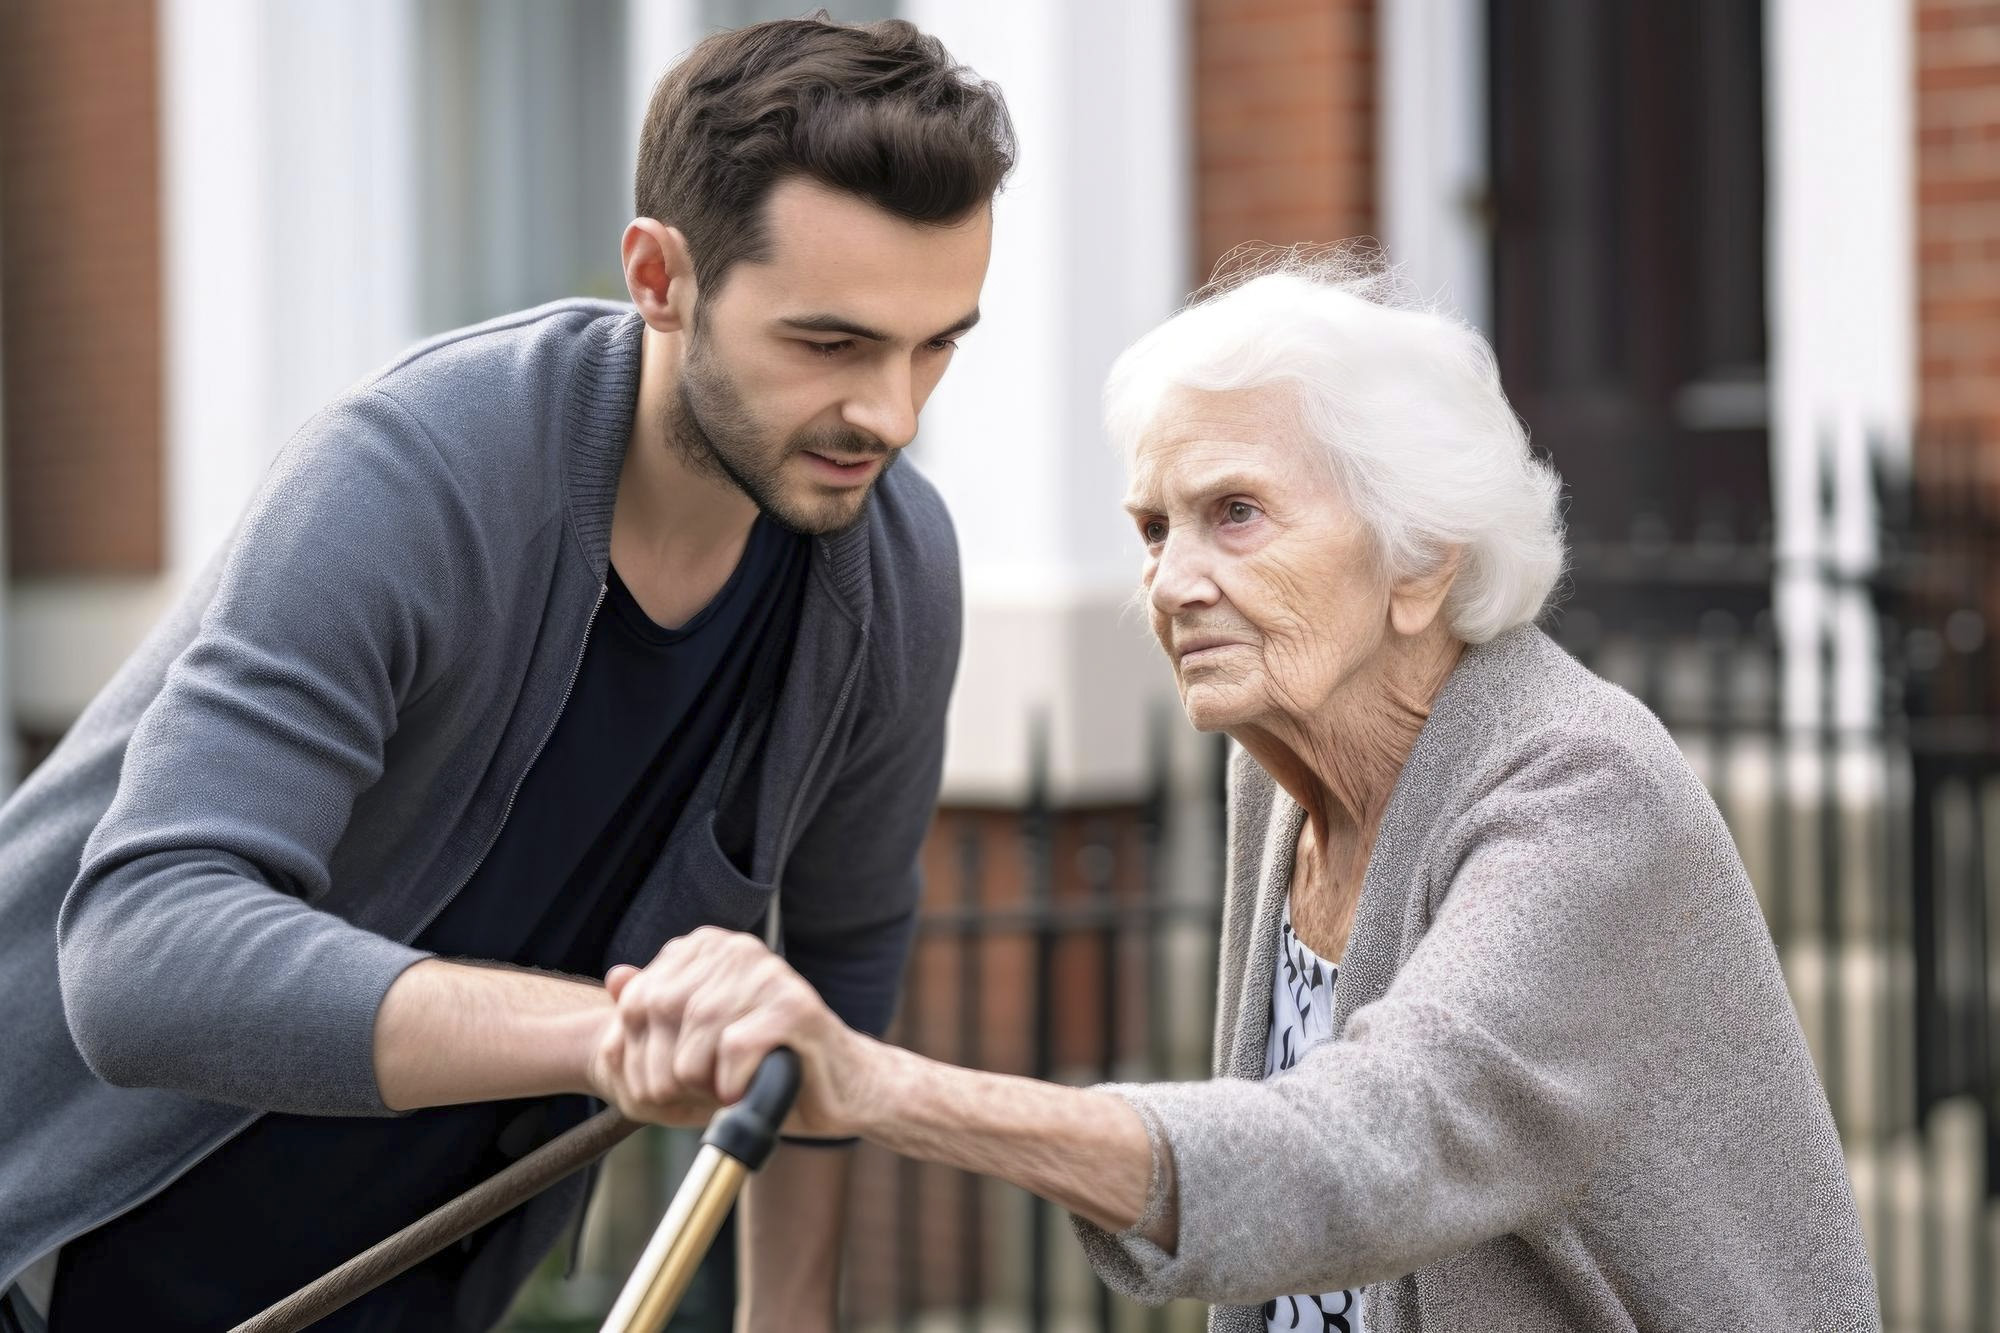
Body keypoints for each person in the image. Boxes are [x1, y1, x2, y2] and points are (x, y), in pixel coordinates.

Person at [592, 254, 1882, 1332]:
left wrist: (883, 1088)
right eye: (1156, 528)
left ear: (1420, 561)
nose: (1171, 583)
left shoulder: (1582, 796)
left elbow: (1362, 1149)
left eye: (1239, 515)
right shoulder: (1277, 776)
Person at [0, 15, 1011, 1331]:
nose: (893, 412)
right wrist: (614, 1034)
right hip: (50, 1253)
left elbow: (833, 993)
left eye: (936, 344)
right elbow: (140, 949)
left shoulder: (891, 581)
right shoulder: (409, 475)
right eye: (831, 344)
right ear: (660, 277)